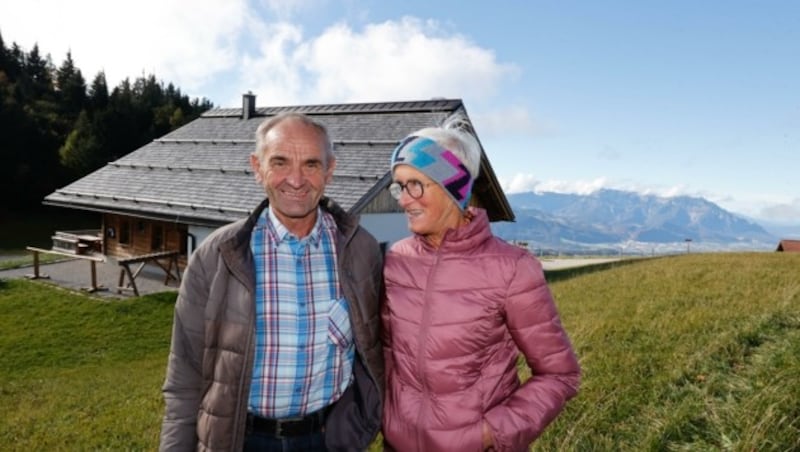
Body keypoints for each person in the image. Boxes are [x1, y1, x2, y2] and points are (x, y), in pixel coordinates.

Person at [159, 112, 384, 451]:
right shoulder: (217, 256)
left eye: (311, 164)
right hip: (240, 440)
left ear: (330, 171)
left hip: (330, 438)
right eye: (279, 162)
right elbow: (184, 381)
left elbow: (377, 351)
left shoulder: (361, 250)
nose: (296, 179)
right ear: (257, 167)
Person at [380, 116, 581, 452]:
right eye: (399, 186)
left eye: (416, 184)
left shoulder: (512, 269)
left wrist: (489, 433)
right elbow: (387, 355)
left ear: (453, 187)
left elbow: (560, 375)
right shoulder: (397, 260)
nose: (403, 199)